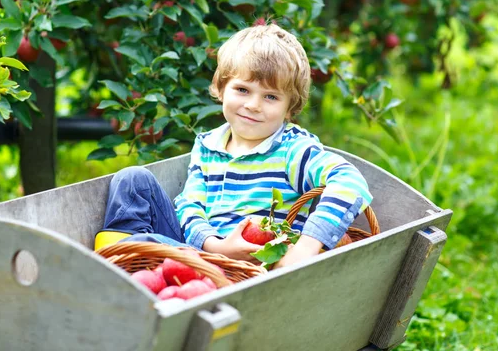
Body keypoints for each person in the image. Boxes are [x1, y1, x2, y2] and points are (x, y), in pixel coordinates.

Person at [96, 24, 373, 269]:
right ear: (220, 87)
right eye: (242, 90)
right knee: (132, 180)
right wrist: (215, 246)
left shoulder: (293, 150)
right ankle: (123, 270)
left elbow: (349, 181)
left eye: (271, 97)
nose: (253, 105)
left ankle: (118, 265)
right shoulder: (207, 146)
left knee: (143, 243)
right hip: (205, 252)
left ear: (291, 107)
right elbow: (190, 205)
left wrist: (304, 249)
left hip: (247, 271)